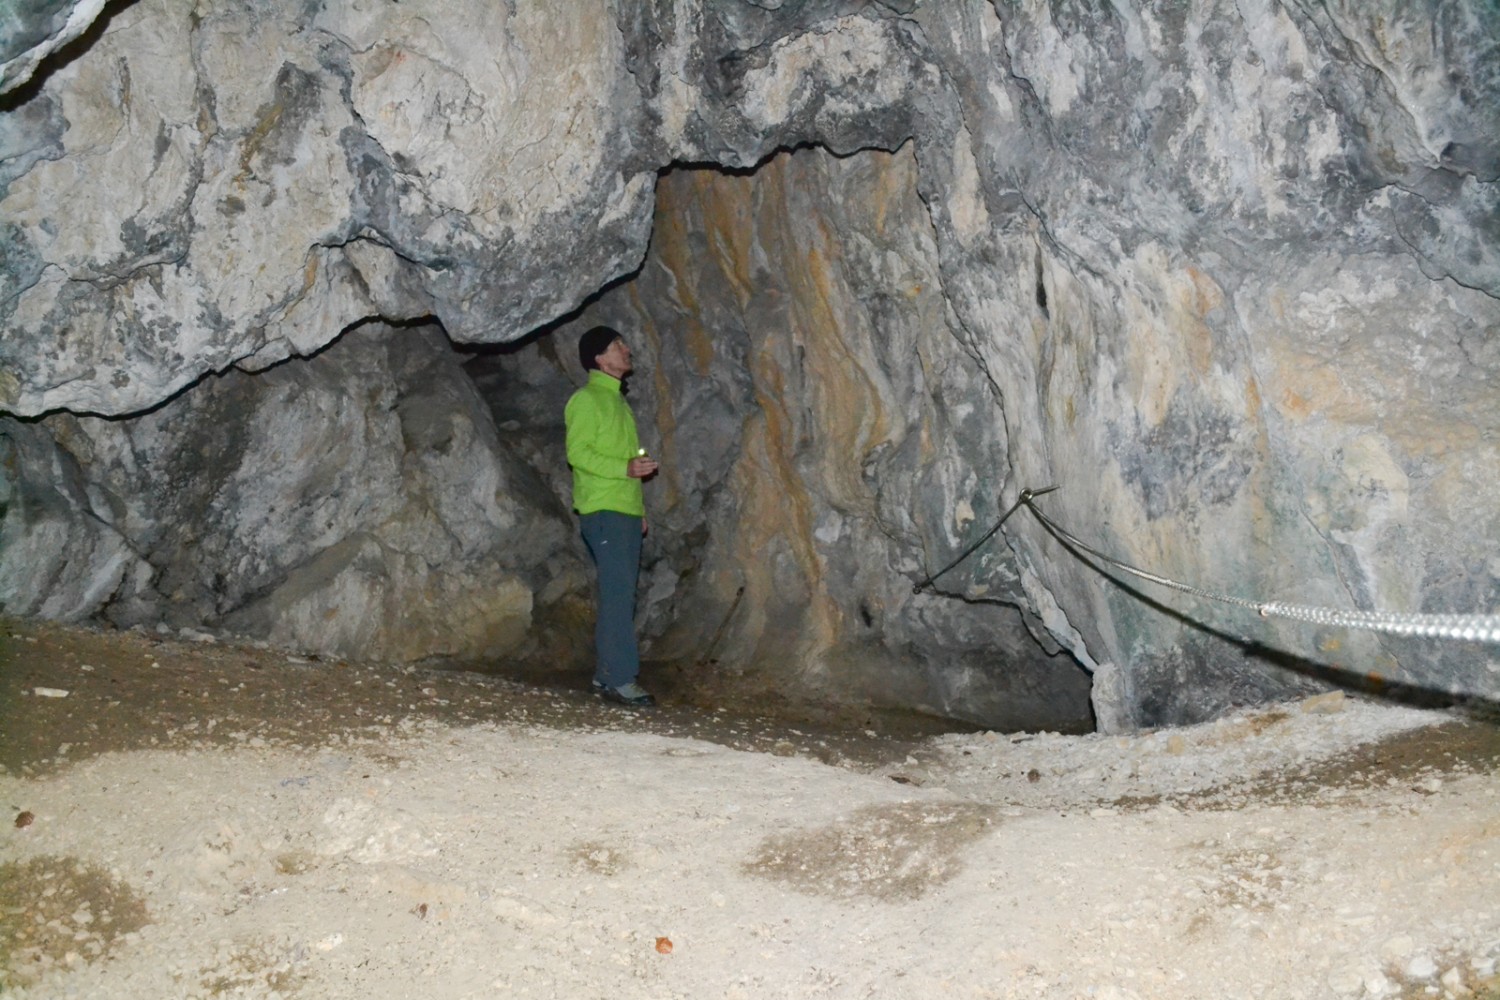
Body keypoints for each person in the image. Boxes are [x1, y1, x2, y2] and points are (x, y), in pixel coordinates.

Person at [565, 326, 661, 707]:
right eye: (617, 345)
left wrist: (638, 510)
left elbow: (630, 462)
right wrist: (625, 469)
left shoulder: (618, 404)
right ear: (599, 360)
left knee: (621, 596)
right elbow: (578, 454)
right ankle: (620, 678)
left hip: (621, 510)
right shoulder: (586, 400)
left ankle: (609, 675)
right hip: (603, 509)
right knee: (618, 596)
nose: (626, 348)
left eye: (624, 341)